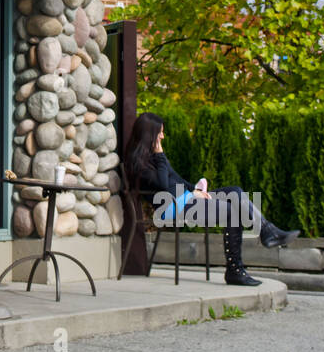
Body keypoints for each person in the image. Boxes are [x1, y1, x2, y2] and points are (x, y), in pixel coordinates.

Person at [123, 112, 300, 286]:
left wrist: (197, 189)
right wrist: (161, 156)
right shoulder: (139, 164)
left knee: (234, 192)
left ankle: (267, 231)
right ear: (150, 134)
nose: (163, 136)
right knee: (231, 212)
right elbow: (162, 185)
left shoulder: (156, 159)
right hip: (172, 208)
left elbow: (179, 180)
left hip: (187, 200)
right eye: (159, 132)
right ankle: (235, 271)